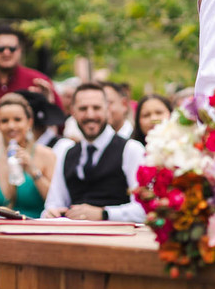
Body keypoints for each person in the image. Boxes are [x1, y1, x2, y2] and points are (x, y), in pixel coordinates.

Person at [44, 83, 147, 222]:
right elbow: (53, 203)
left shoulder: (131, 149)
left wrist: (104, 214)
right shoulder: (66, 153)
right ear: (73, 112)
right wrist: (52, 212)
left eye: (96, 108)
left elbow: (144, 208)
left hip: (117, 234)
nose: (90, 115)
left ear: (107, 110)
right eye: (83, 109)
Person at [0, 93, 55, 218]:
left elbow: (57, 201)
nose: (11, 126)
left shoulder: (46, 155)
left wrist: (34, 172)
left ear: (29, 122)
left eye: (17, 119)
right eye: (4, 121)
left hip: (33, 228)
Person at [0, 26, 60, 130]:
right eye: (0, 49)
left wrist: (48, 103)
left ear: (20, 50)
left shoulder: (39, 82)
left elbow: (60, 124)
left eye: (12, 49)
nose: (6, 53)